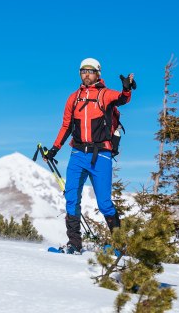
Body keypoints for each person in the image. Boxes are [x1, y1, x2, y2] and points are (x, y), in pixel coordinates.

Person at [44, 57, 134, 254]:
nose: (86, 74)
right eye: (83, 71)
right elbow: (66, 125)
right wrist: (54, 148)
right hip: (77, 154)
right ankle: (74, 244)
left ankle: (119, 246)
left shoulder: (105, 94)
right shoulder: (73, 98)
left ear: (98, 74)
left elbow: (123, 99)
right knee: (71, 198)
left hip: (100, 155)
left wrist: (127, 89)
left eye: (90, 71)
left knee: (104, 203)